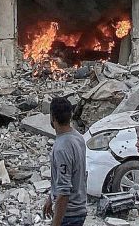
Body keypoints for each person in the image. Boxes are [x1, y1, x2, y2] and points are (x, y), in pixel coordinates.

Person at [42, 97, 88, 226]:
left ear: (53, 118)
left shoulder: (62, 147)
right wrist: (51, 198)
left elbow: (64, 191)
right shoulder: (77, 137)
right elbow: (68, 174)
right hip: (78, 209)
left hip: (69, 214)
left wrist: (56, 223)